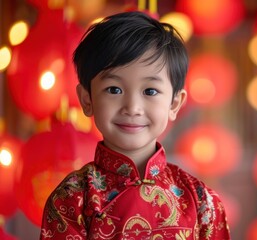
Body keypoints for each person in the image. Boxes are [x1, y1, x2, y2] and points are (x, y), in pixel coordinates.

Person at [40, 11, 230, 239]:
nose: (132, 107)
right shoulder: (71, 199)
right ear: (87, 100)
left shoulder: (201, 200)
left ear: (174, 103)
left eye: (150, 91)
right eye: (114, 89)